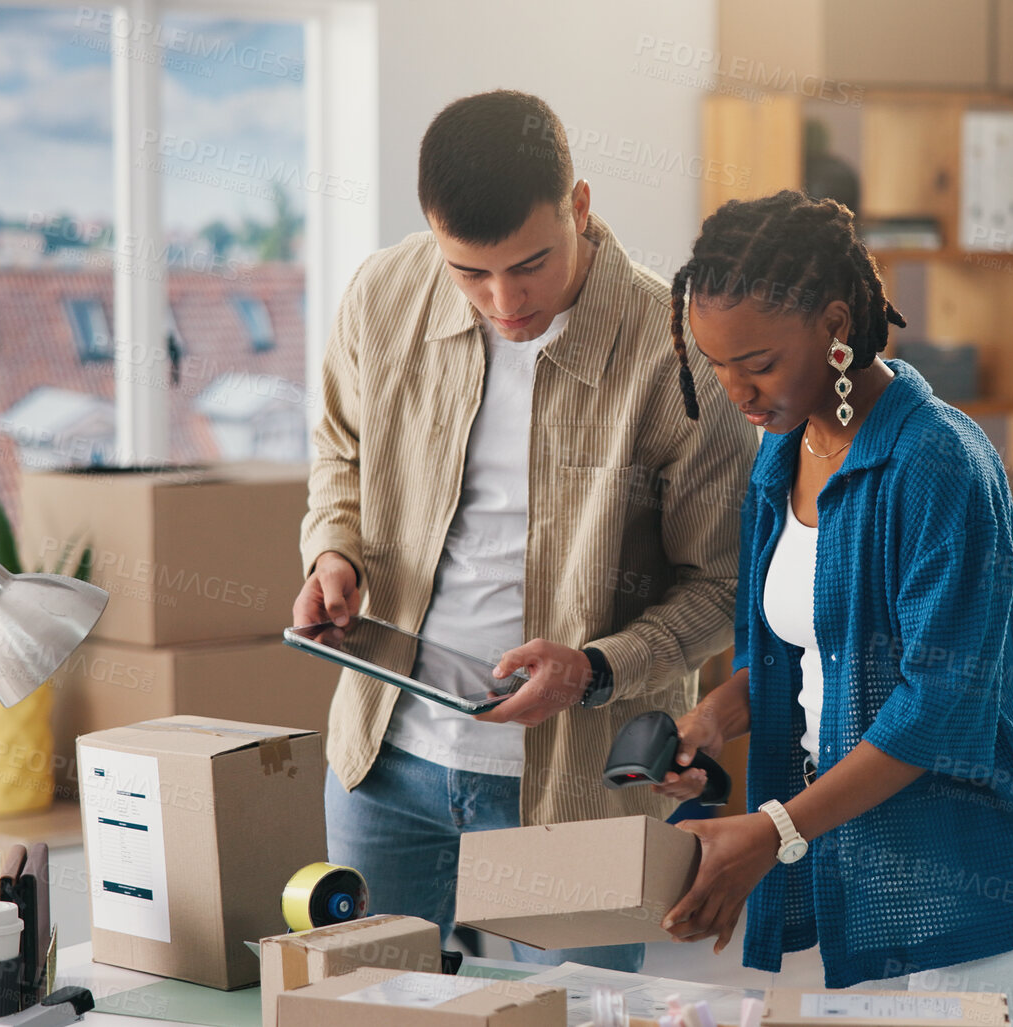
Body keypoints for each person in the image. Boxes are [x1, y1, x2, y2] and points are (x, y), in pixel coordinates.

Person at [293, 90, 756, 972]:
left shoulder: (678, 358)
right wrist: (333, 550)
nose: (504, 301)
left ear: (579, 206)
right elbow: (339, 455)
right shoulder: (382, 296)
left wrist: (593, 670)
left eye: (531, 264)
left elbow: (722, 586)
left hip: (577, 786)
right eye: (470, 273)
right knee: (361, 1007)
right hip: (385, 760)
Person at [652, 190, 1013, 1023]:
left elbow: (937, 709)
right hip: (866, 870)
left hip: (986, 890)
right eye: (715, 366)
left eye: (755, 362)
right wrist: (709, 719)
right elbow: (789, 654)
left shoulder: (936, 462)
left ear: (833, 324)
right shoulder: (782, 455)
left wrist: (774, 829)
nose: (736, 391)